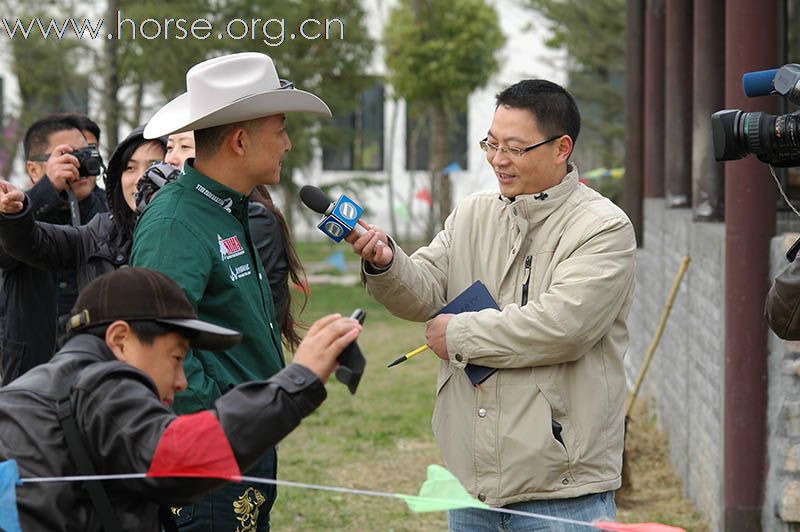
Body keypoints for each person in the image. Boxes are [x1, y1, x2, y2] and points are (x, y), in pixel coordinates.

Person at [346, 79, 636, 530]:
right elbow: (425, 289)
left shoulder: (602, 228)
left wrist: (458, 334)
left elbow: (562, 326)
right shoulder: (472, 212)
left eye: (515, 148)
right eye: (491, 143)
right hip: (471, 484)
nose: (498, 159)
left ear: (562, 148)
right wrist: (386, 262)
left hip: (562, 492)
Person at [131, 52, 331, 530]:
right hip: (213, 458)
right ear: (240, 141)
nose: (287, 143)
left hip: (243, 440)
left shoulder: (225, 210)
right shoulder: (177, 221)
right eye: (280, 129)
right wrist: (214, 432)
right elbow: (156, 340)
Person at [0, 267, 361, 531]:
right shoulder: (97, 381)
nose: (182, 381)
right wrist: (298, 382)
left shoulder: (40, 392)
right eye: (176, 357)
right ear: (120, 340)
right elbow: (179, 460)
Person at [166, 129, 306, 349]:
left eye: (185, 147)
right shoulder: (171, 213)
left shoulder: (253, 219)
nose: (170, 158)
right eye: (169, 147)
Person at [0, 114, 108, 383]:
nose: (79, 165)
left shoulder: (112, 210)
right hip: (34, 361)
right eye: (67, 156)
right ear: (34, 170)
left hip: (99, 360)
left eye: (85, 153)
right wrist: (48, 190)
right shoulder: (16, 210)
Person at [0, 126, 166, 294]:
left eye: (155, 166)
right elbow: (33, 242)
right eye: (130, 168)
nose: (140, 179)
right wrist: (16, 213)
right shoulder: (100, 231)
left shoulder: (190, 228)